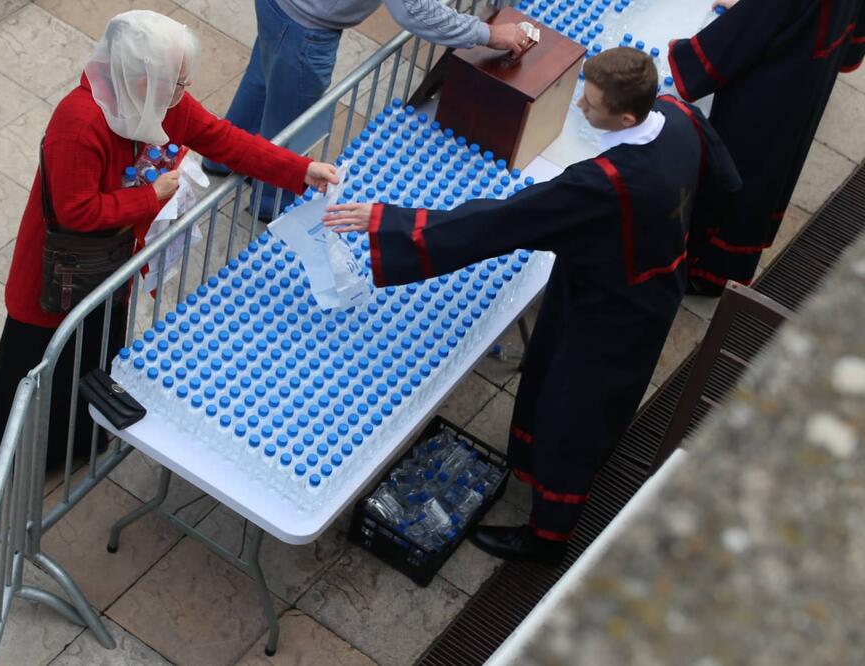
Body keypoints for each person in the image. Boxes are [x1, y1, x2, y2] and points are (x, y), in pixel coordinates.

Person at [323, 48, 741, 565]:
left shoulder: (605, 182)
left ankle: (549, 534)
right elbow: (726, 184)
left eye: (591, 105)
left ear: (627, 116)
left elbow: (504, 221)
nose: (581, 112)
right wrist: (677, 248)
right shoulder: (680, 117)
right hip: (653, 290)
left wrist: (389, 222)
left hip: (603, 310)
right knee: (600, 394)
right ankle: (550, 463)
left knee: (572, 409)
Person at [0, 10, 338, 518]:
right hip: (54, 274)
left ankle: (71, 441)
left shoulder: (156, 100)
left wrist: (300, 170)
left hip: (112, 265)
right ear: (141, 78)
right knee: (25, 368)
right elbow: (76, 210)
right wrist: (151, 197)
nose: (186, 90)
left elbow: (224, 140)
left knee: (93, 354)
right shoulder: (80, 122)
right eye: (177, 81)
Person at [203, 0, 533, 219]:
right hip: (306, 25)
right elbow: (414, 11)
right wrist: (487, 33)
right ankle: (271, 203)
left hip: (281, 7)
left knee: (263, 75)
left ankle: (221, 156)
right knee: (292, 122)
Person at [669, 0, 865, 296]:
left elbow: (756, 24)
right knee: (773, 166)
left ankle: (707, 270)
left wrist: (692, 56)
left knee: (742, 166)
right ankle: (725, 265)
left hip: (771, 83)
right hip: (807, 68)